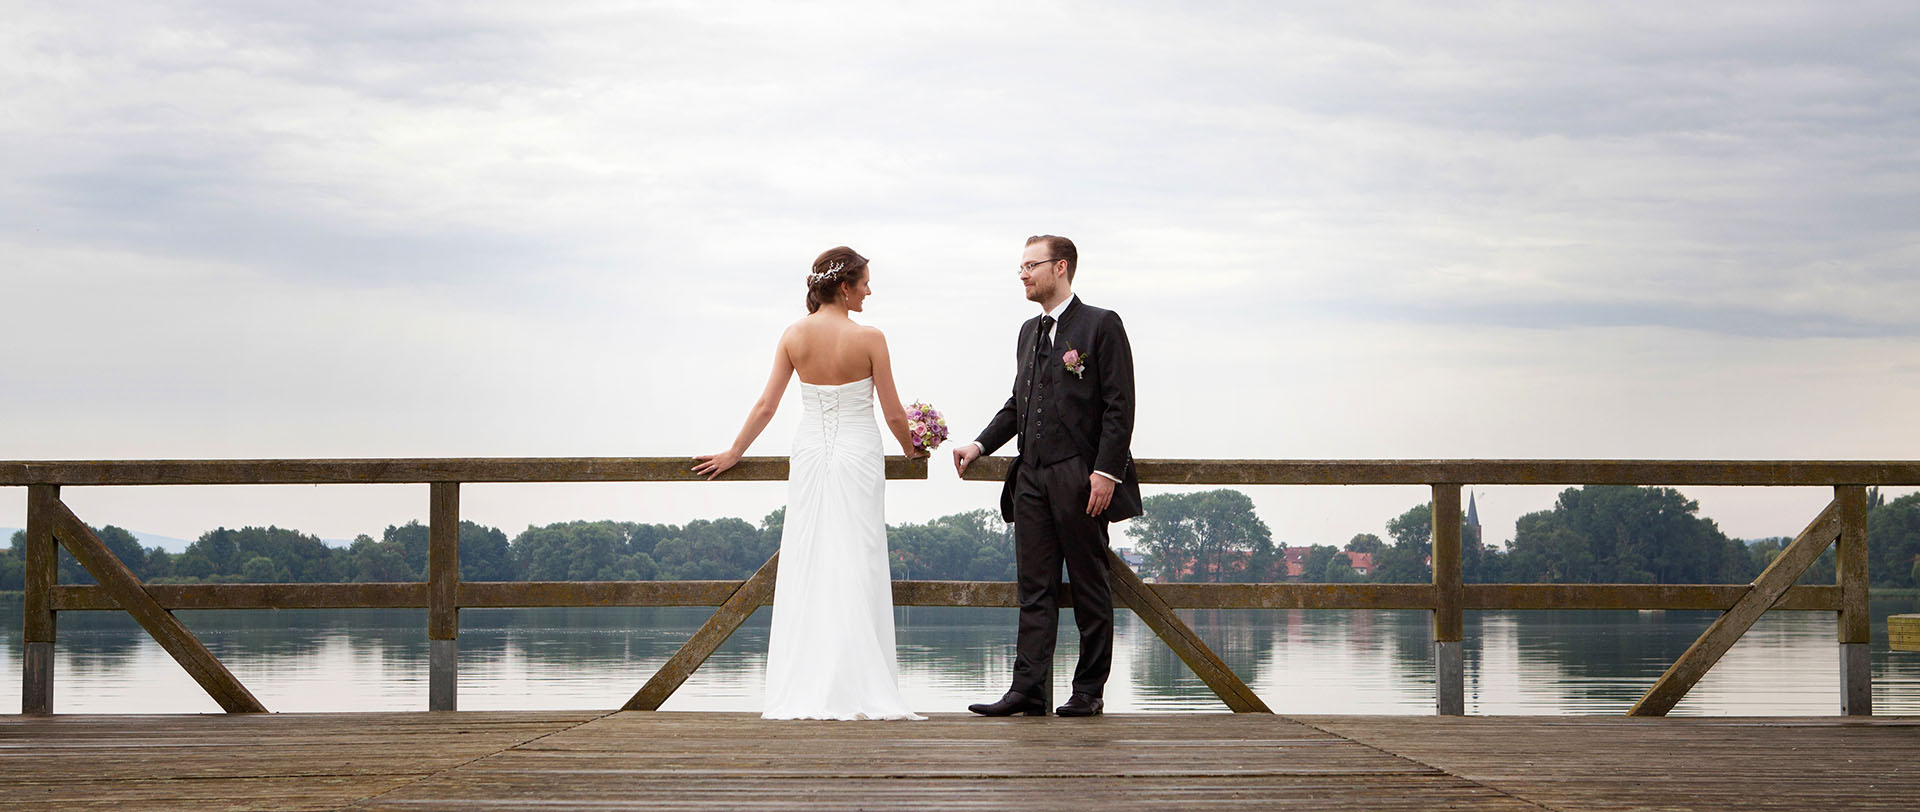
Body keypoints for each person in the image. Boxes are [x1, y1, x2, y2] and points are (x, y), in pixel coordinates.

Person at [694, 246, 925, 721]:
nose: (869, 290)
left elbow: (766, 405)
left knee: (811, 555)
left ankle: (807, 680)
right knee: (857, 556)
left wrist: (733, 453)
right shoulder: (871, 338)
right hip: (858, 454)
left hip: (811, 454)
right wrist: (913, 448)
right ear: (844, 286)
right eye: (864, 282)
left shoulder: (793, 336)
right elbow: (894, 412)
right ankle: (859, 680)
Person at [954, 235, 1141, 717]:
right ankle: (1028, 689)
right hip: (1031, 477)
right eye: (1020, 266)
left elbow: (1121, 407)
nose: (1022, 274)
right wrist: (979, 445)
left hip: (1081, 475)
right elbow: (1019, 403)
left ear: (1060, 267)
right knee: (1034, 588)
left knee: (1089, 586)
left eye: (1030, 265)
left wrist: (1105, 472)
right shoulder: (1027, 331)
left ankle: (1087, 692)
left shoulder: (1102, 324)